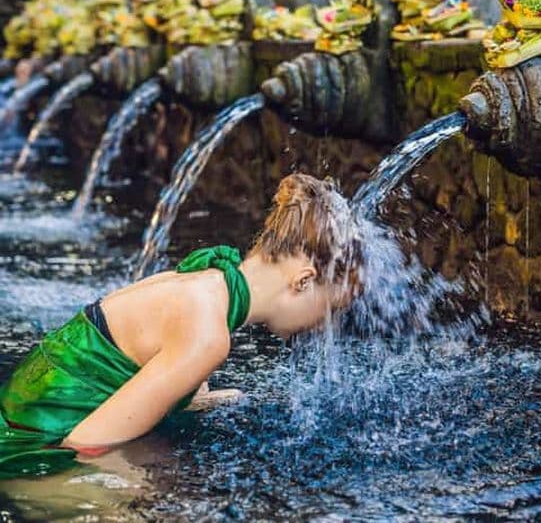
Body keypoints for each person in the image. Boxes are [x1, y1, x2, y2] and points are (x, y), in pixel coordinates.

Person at [0, 173, 363, 478]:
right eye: (330, 309)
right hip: (33, 451)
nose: (321, 326)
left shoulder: (207, 278)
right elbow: (88, 444)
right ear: (303, 280)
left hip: (23, 409)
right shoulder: (208, 337)